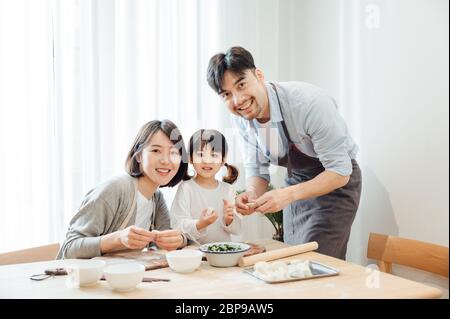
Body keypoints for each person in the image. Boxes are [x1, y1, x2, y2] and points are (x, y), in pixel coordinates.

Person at [206, 46, 362, 259]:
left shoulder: (308, 103)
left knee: (316, 262)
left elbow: (340, 171)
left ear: (258, 75)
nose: (238, 100)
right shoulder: (241, 119)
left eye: (241, 85)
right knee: (292, 262)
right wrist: (251, 194)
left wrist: (288, 195)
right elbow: (258, 170)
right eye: (226, 94)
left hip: (335, 186)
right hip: (297, 183)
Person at [57, 120, 189, 259]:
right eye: (156, 150)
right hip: (81, 278)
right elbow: (70, 247)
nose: (166, 160)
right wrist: (118, 238)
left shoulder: (156, 198)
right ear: (138, 155)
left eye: (174, 152)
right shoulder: (114, 189)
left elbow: (166, 239)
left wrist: (179, 239)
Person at [170, 129, 242, 244]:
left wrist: (229, 220)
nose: (207, 160)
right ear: (190, 158)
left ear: (223, 160)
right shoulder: (186, 188)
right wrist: (200, 224)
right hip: (195, 254)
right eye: (200, 154)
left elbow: (238, 230)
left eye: (214, 155)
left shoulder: (228, 190)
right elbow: (177, 224)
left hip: (223, 252)